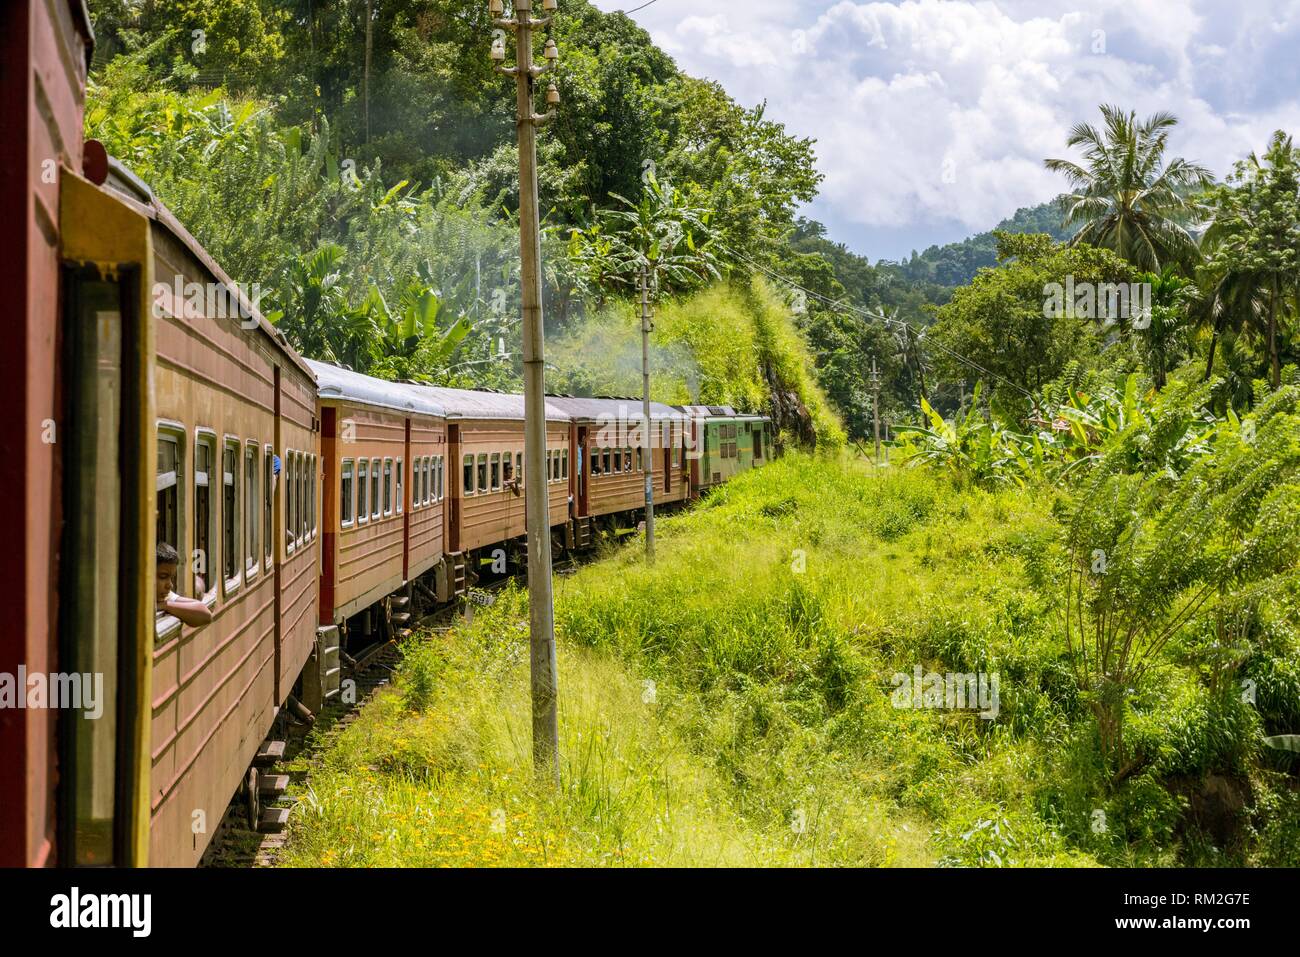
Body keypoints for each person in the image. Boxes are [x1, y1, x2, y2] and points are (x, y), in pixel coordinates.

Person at [156, 542, 214, 627]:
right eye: (163, 577)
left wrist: (164, 605)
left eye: (171, 578)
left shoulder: (163, 597)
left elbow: (205, 615)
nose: (170, 585)